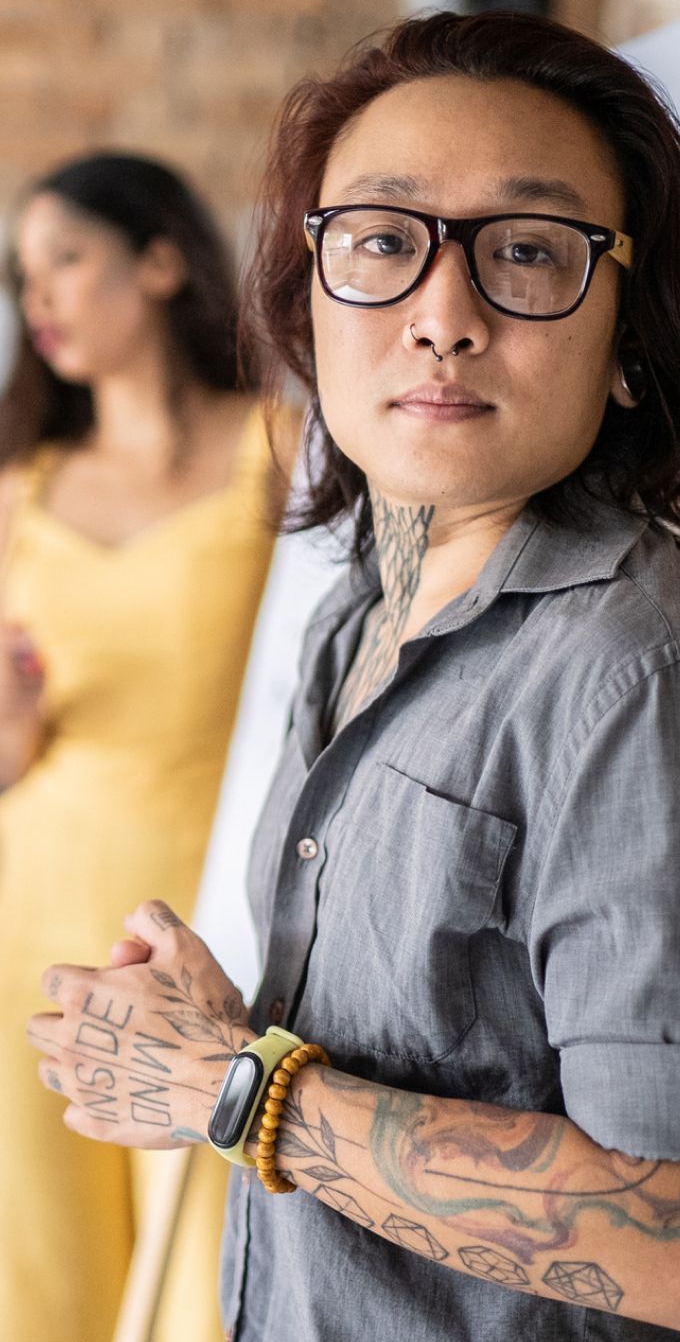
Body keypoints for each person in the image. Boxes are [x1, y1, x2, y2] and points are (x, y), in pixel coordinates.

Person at [28, 13, 680, 1341]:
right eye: (383, 243)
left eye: (528, 251)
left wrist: (235, 1086)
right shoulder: (357, 615)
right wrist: (234, 1025)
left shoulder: (645, 683)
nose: (443, 317)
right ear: (308, 296)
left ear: (633, 331)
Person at [3, 152, 291, 1342]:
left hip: (208, 923)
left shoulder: (282, 446)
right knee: (40, 1284)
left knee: (200, 1286)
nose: (42, 301)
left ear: (162, 260)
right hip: (26, 915)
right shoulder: (20, 484)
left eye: (66, 259)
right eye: (24, 279)